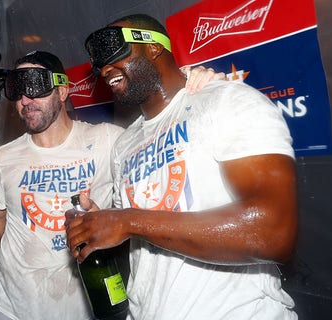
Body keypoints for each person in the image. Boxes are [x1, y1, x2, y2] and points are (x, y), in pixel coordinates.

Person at [0, 50, 226, 319]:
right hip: (13, 309)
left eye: (36, 86)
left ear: (63, 90)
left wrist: (195, 85)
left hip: (85, 308)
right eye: (16, 90)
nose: (25, 100)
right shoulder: (2, 158)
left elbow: (162, 136)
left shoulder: (109, 141)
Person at [65, 14, 298, 319]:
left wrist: (128, 221)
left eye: (113, 52)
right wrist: (104, 226)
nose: (105, 69)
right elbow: (142, 242)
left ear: (154, 47)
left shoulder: (228, 102)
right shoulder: (125, 143)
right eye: (98, 64)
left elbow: (272, 231)